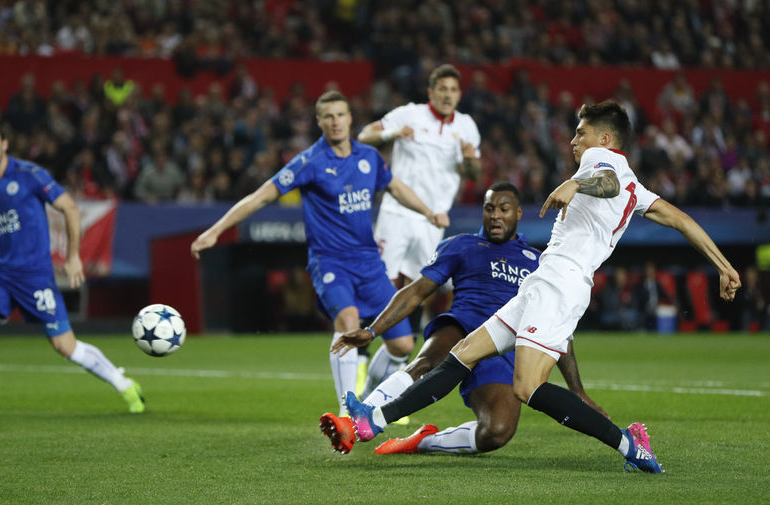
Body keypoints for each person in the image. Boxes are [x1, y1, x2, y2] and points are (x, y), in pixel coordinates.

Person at [342, 101, 742, 473]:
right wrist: (724, 266)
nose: (573, 140)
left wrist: (577, 185)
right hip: (543, 282)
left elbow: (607, 183)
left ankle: (629, 445)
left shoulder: (600, 161)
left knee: (527, 386)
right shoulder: (637, 188)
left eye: (581, 132)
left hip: (561, 284)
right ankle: (372, 420)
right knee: (461, 354)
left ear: (605, 138)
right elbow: (681, 220)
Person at [191, 91, 449, 415]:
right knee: (348, 321)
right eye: (328, 116)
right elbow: (260, 197)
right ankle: (346, 412)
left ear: (350, 118)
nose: (335, 121)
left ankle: (367, 397)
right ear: (319, 122)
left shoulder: (369, 157)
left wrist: (428, 212)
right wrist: (215, 230)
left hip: (370, 264)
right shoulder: (309, 162)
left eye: (340, 115)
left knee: (402, 345)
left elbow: (396, 188)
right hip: (330, 262)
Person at [320, 182, 607, 455]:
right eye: (489, 208)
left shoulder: (538, 262)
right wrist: (372, 331)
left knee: (497, 431)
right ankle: (354, 423)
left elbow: (556, 328)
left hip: (503, 346)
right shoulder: (461, 245)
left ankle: (423, 442)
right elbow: (416, 291)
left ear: (518, 213)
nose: (495, 216)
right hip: (462, 326)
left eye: (503, 209)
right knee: (427, 361)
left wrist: (577, 390)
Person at [0, 119, 145, 418]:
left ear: (4, 144)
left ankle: (124, 384)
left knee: (65, 346)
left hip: (34, 277)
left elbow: (69, 208)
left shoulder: (29, 174)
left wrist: (73, 256)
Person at [357, 63, 480, 386]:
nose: (447, 95)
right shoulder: (409, 114)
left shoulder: (466, 126)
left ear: (459, 95)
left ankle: (396, 367)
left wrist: (470, 159)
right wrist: (392, 133)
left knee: (419, 289)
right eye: (442, 89)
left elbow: (474, 174)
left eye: (453, 90)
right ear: (431, 92)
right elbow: (364, 135)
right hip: (397, 212)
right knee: (380, 284)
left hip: (433, 220)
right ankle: (361, 354)